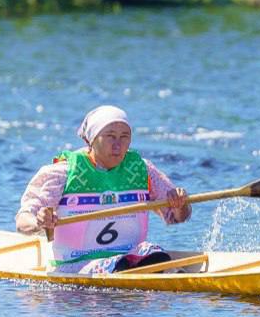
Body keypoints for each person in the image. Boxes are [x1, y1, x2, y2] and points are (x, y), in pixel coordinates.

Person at [15, 105, 191, 274]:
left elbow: (178, 217)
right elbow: (23, 220)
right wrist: (39, 221)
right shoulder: (62, 172)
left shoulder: (142, 169)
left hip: (130, 255)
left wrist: (180, 204)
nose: (118, 145)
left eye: (124, 136)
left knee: (157, 256)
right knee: (121, 265)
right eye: (110, 136)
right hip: (78, 263)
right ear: (91, 140)